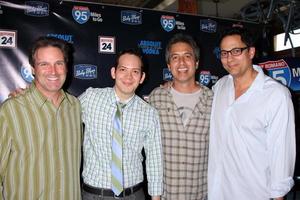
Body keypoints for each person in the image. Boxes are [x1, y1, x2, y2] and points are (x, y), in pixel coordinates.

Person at [208, 27, 295, 200]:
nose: (229, 58)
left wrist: (278, 195)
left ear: (251, 52)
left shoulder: (275, 95)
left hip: (254, 192)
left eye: (236, 51)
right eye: (224, 53)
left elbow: (282, 151)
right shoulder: (220, 87)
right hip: (219, 191)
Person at [0, 36, 82, 199]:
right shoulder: (12, 110)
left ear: (66, 67)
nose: (53, 71)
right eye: (44, 64)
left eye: (59, 63)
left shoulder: (75, 106)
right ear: (32, 69)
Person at [80, 49, 163, 200]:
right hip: (94, 195)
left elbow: (154, 160)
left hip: (133, 195)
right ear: (114, 72)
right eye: (123, 69)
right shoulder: (91, 98)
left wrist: (156, 198)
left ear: (142, 77)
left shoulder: (150, 114)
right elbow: (63, 114)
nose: (128, 77)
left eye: (135, 71)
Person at [148, 33, 213, 200]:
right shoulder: (157, 97)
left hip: (201, 194)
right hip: (165, 195)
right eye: (175, 57)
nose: (182, 63)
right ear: (169, 65)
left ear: (196, 62)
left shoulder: (213, 99)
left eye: (187, 56)